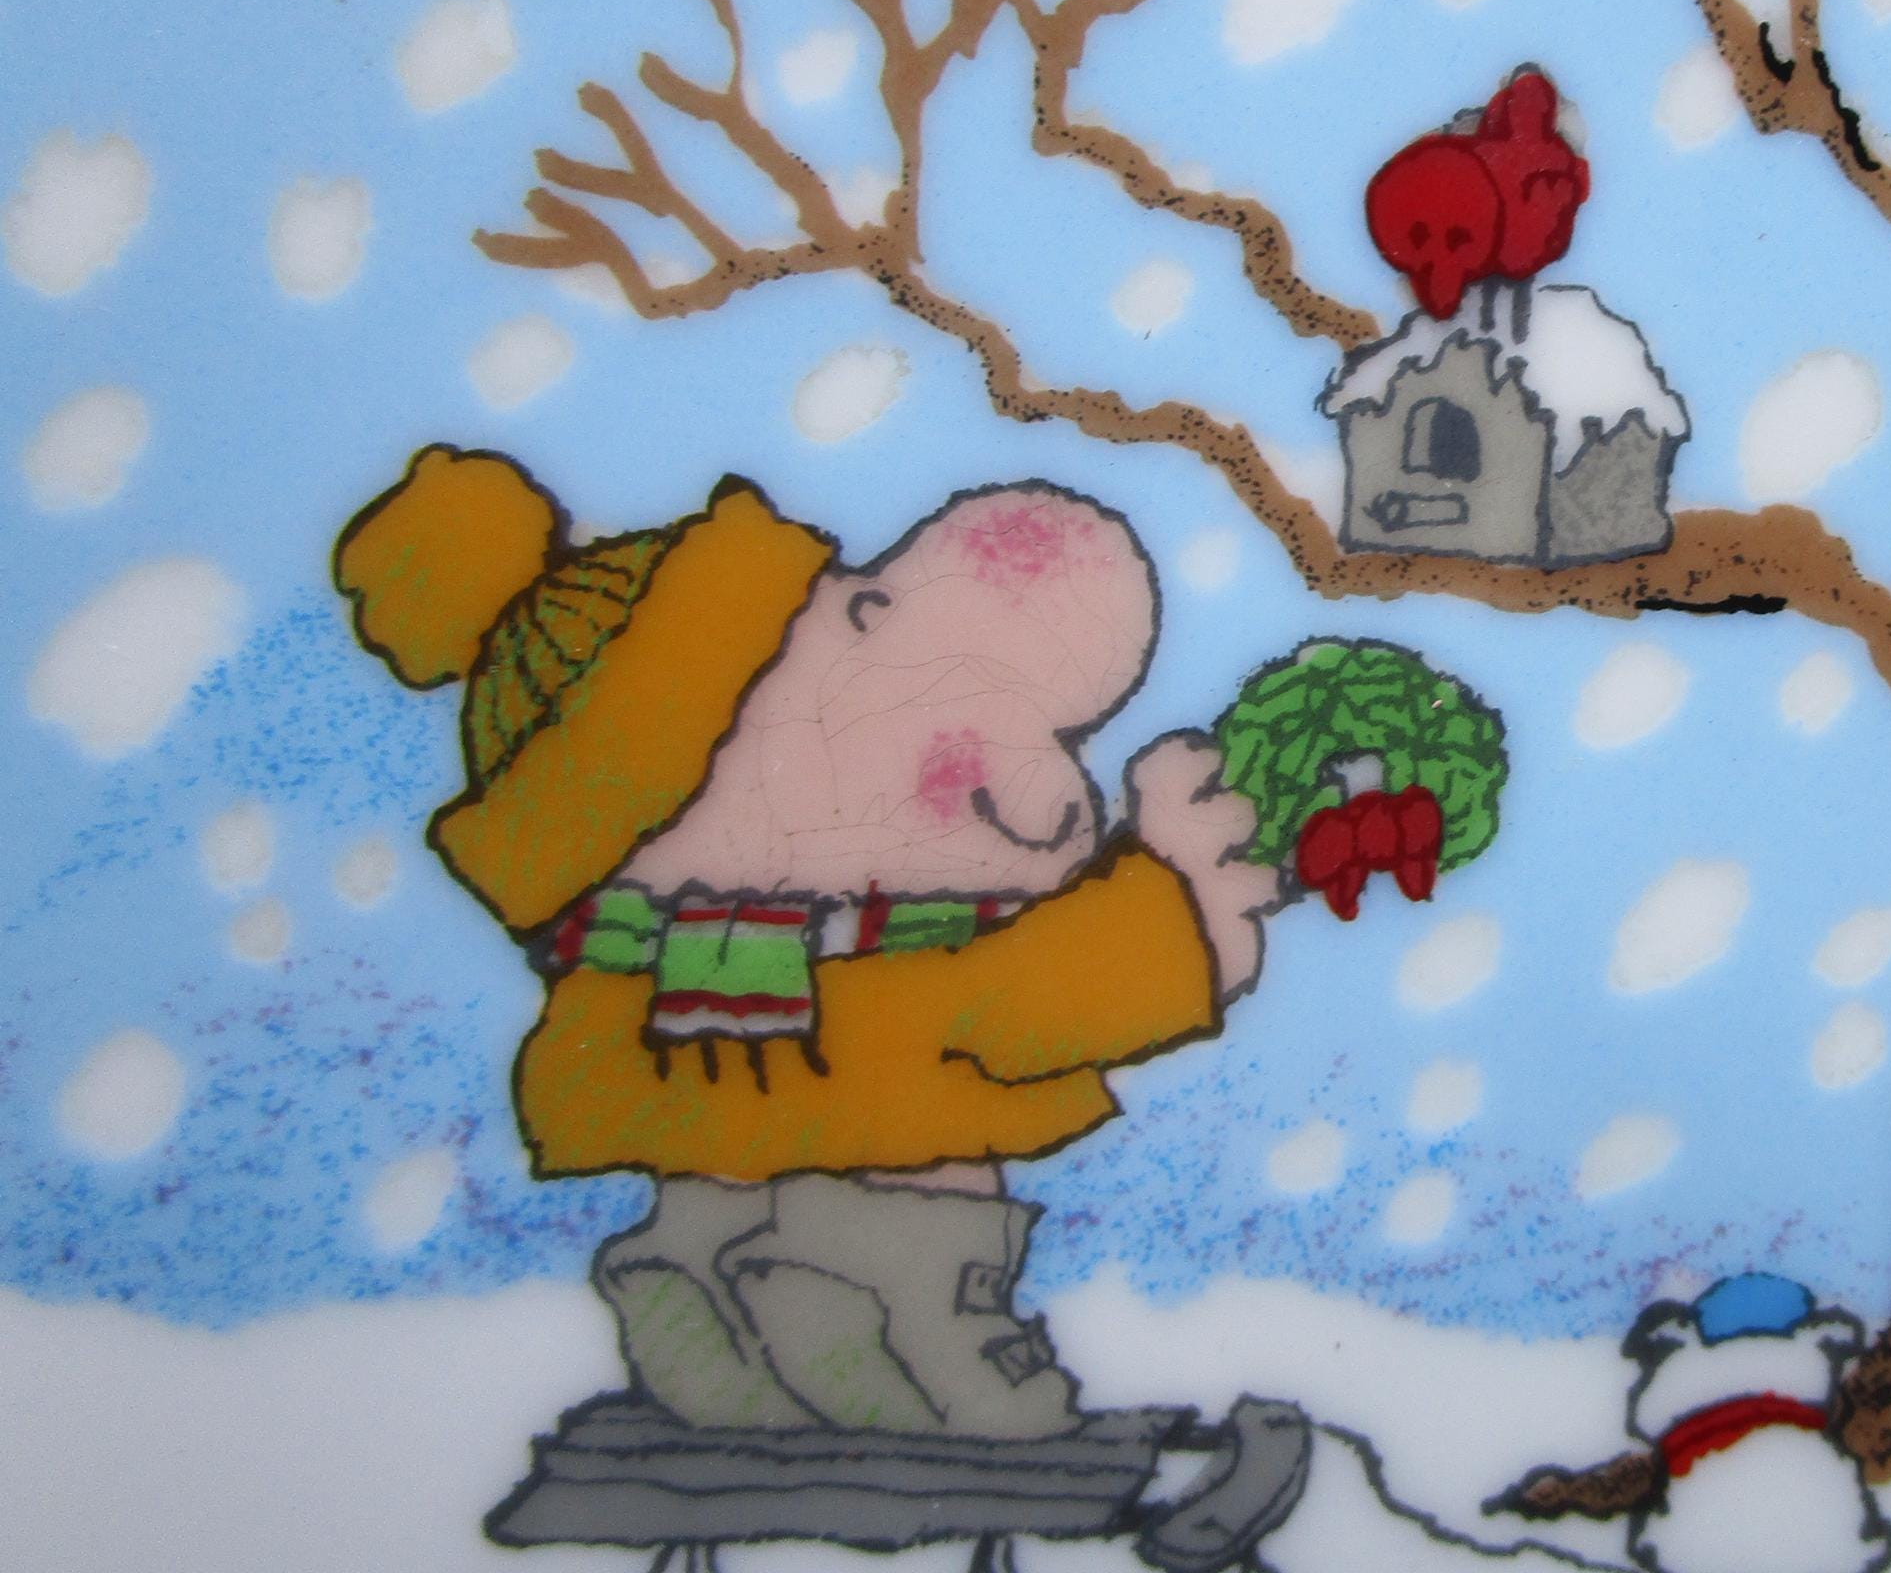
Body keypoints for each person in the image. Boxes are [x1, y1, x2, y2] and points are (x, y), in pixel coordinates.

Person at [335, 448, 1284, 1443]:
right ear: (855, 619)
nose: (1050, 801)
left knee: (717, 1197)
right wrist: (1184, 899)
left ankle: (698, 1281)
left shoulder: (636, 977)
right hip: (884, 1116)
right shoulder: (906, 966)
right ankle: (917, 1351)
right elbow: (1037, 1003)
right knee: (922, 1232)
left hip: (683, 1076)